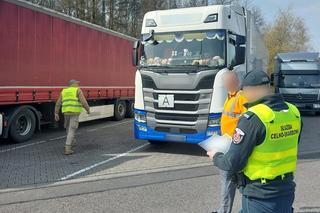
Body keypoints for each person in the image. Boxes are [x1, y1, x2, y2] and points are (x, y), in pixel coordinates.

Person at [207, 71, 302, 213]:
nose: (244, 96)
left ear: (251, 90)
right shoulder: (293, 112)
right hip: (285, 191)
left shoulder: (253, 118)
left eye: (244, 92)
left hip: (259, 195)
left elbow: (233, 163)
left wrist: (215, 156)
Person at [214, 70, 247, 213]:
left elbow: (247, 121)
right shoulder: (230, 96)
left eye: (228, 81)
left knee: (227, 179)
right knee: (229, 180)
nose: (225, 84)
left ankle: (224, 211)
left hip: (233, 145)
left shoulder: (241, 97)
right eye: (224, 81)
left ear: (235, 81)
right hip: (226, 142)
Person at [54, 80, 90, 155]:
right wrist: (88, 109)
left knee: (68, 128)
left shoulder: (64, 91)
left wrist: (56, 113)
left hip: (66, 113)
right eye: (77, 83)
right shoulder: (77, 90)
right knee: (71, 130)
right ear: (73, 84)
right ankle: (68, 148)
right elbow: (83, 102)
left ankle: (72, 142)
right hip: (75, 112)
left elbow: (58, 103)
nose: (78, 84)